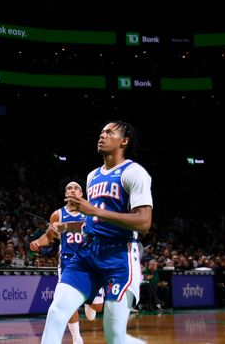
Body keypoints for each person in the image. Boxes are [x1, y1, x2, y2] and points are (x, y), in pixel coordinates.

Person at [41, 121, 152, 344]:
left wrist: (93, 210)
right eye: (101, 132)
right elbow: (94, 218)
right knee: (56, 312)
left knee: (114, 336)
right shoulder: (92, 176)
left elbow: (143, 223)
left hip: (119, 255)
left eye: (109, 132)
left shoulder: (134, 173)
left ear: (124, 141)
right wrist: (69, 227)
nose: (102, 135)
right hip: (88, 252)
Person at [31, 181, 102, 344]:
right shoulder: (57, 214)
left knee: (98, 308)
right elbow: (48, 237)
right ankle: (77, 338)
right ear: (65, 194)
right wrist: (38, 242)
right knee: (65, 302)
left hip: (91, 261)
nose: (72, 190)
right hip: (68, 262)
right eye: (68, 188)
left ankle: (90, 303)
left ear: (81, 194)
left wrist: (66, 227)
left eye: (76, 188)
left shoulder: (90, 212)